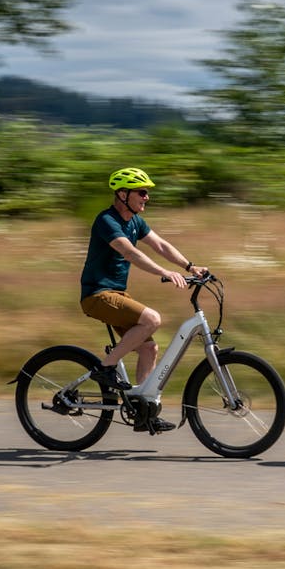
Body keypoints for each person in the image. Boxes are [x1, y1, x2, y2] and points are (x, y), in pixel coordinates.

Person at [80, 167, 208, 434]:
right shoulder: (107, 220)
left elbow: (160, 245)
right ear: (123, 194)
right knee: (152, 319)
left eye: (147, 192)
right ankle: (105, 368)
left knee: (149, 349)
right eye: (142, 192)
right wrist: (164, 272)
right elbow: (130, 254)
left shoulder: (136, 222)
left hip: (117, 295)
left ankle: (143, 411)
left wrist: (190, 266)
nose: (147, 197)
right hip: (97, 295)